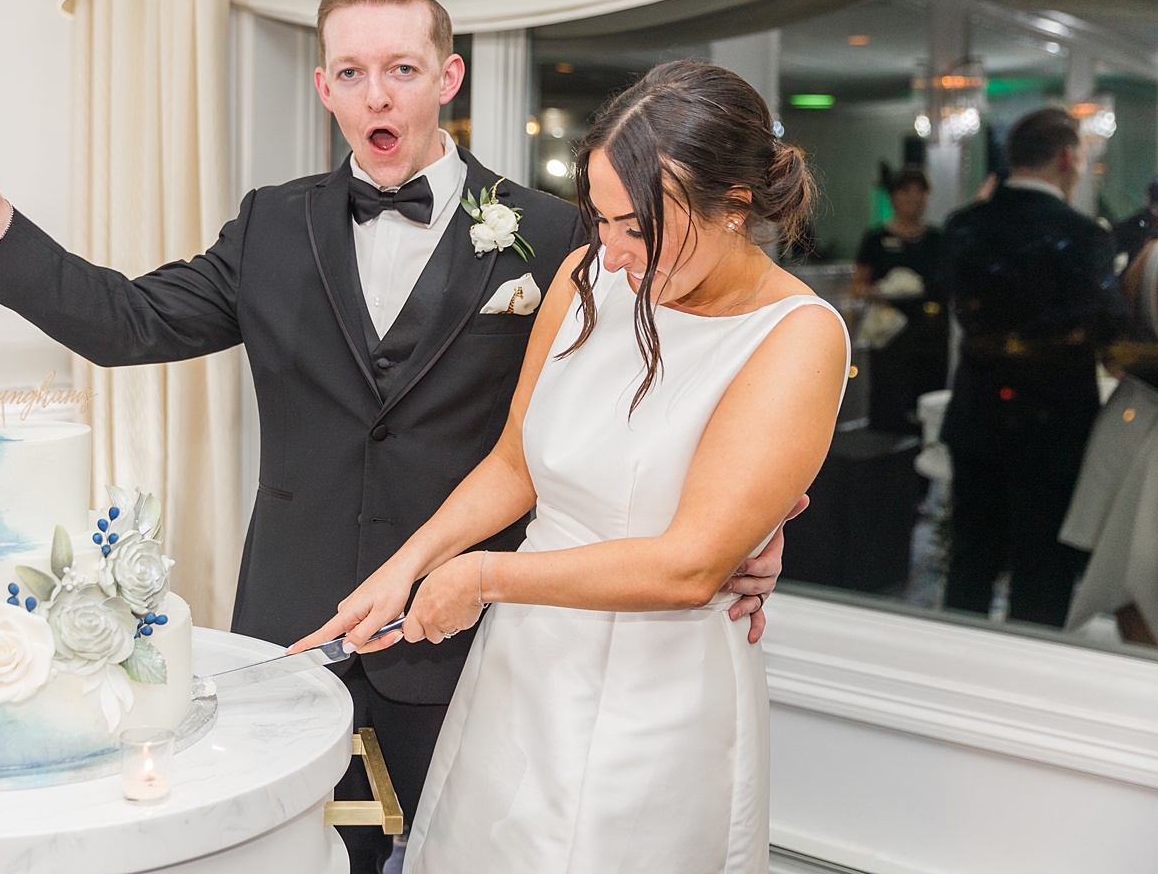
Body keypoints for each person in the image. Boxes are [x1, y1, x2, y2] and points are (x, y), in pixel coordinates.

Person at [0, 0, 786, 873]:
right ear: (325, 85)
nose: (380, 94)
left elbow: (658, 391)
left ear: (447, 79)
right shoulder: (270, 226)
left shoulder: (559, 232)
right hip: (295, 622)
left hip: (474, 634)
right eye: (354, 72)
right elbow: (130, 322)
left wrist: (753, 521)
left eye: (403, 70)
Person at [295, 61, 849, 873]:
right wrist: (407, 567)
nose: (614, 253)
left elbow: (691, 565)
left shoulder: (798, 335)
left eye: (640, 228)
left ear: (733, 209)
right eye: (603, 221)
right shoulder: (588, 276)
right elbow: (517, 458)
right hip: (525, 662)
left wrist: (483, 579)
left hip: (657, 693)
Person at [940, 107, 1127, 627]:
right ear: (1068, 158)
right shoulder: (1084, 236)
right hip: (1053, 426)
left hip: (977, 413)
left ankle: (954, 667)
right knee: (1042, 569)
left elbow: (952, 303)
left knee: (971, 560)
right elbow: (1107, 326)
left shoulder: (963, 226)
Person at [852, 166, 949, 434]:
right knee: (888, 403)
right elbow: (858, 286)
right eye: (906, 192)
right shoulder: (876, 238)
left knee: (929, 401)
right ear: (893, 196)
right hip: (890, 334)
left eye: (921, 192)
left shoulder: (938, 239)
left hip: (930, 333)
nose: (914, 198)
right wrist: (883, 291)